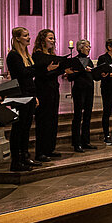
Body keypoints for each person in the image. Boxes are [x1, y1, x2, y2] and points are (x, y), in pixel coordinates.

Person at [33, 29, 73, 159]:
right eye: (50, 38)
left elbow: (52, 73)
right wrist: (57, 70)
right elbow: (41, 74)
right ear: (42, 39)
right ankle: (41, 152)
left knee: (53, 120)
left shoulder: (51, 55)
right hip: (42, 90)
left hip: (53, 89)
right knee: (43, 121)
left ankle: (50, 148)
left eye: (53, 38)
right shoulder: (38, 55)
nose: (53, 40)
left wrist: (61, 69)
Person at [6, 27, 41, 170]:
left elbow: (29, 73)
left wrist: (35, 96)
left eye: (28, 35)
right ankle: (16, 160)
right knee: (18, 128)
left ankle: (25, 156)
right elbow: (22, 73)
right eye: (25, 35)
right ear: (18, 38)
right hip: (19, 95)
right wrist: (36, 69)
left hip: (29, 93)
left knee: (26, 128)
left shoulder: (26, 55)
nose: (29, 37)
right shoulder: (13, 55)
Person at [67, 39, 100, 152]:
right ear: (80, 48)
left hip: (89, 90)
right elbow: (70, 77)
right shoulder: (74, 60)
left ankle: (86, 141)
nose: (89, 48)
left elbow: (94, 76)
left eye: (89, 46)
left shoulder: (89, 60)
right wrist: (82, 70)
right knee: (77, 117)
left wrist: (100, 73)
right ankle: (76, 143)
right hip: (79, 90)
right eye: (87, 46)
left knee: (87, 116)